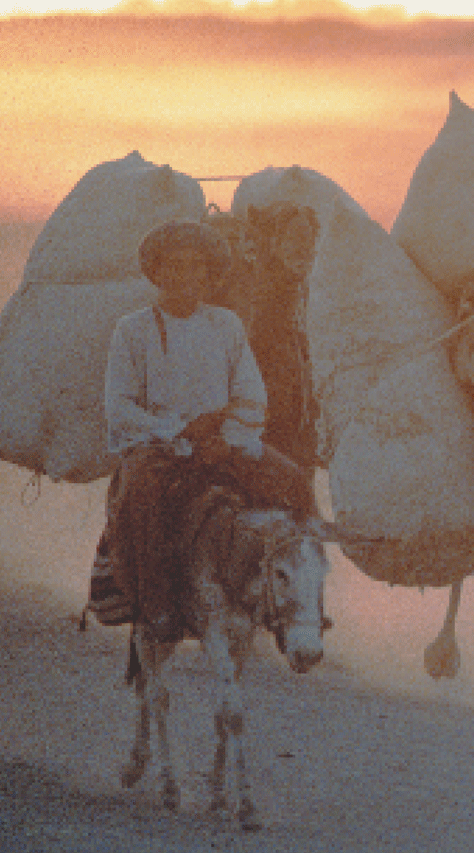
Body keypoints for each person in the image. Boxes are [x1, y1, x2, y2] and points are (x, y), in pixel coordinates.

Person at [94, 218, 316, 637]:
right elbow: (119, 407)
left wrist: (226, 439)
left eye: (196, 267)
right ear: (156, 272)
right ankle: (154, 606)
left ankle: (296, 607)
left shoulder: (227, 325)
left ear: (210, 275)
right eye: (174, 266)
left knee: (293, 483)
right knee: (140, 491)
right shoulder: (133, 329)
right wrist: (176, 432)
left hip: (224, 444)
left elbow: (252, 397)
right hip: (158, 446)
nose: (185, 276)